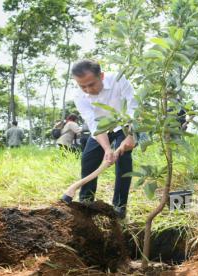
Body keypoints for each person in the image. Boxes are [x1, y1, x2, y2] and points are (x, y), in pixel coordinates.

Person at [68, 59, 137, 219]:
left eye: (91, 84)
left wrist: (131, 135)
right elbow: (93, 123)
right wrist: (107, 149)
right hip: (101, 128)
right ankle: (86, 203)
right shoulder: (79, 96)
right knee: (88, 160)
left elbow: (134, 106)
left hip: (124, 125)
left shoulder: (119, 80)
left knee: (123, 161)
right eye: (82, 86)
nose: (87, 90)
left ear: (102, 76)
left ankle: (119, 208)